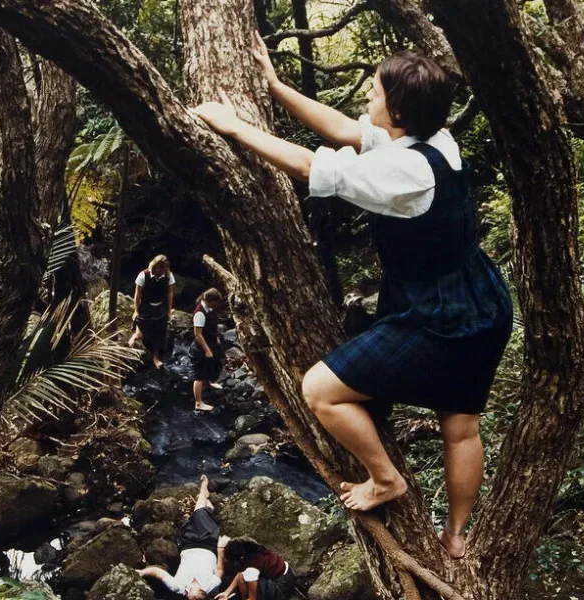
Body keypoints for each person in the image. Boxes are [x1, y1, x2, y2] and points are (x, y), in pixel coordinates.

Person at [193, 35, 513, 559]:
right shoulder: (435, 139)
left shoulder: (405, 172)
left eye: (376, 92)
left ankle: (385, 479)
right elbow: (344, 130)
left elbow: (307, 166)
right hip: (480, 298)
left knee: (320, 390)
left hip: (437, 317)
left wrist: (234, 126)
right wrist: (275, 88)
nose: (368, 97)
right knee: (460, 426)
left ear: (400, 109)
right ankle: (456, 538)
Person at [139, 475, 226, 599]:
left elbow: (158, 572)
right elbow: (220, 571)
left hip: (188, 544)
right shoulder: (210, 585)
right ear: (202, 591)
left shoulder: (178, 587)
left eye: (186, 594)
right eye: (190, 591)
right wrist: (221, 549)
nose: (186, 590)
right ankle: (205, 496)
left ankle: (203, 493)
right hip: (209, 545)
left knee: (198, 515)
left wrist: (142, 572)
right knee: (201, 514)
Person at [128, 254, 176, 369]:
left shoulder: (168, 276)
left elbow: (169, 294)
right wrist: (136, 311)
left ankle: (156, 358)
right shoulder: (143, 275)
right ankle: (136, 334)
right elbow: (138, 295)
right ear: (154, 266)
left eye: (163, 268)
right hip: (146, 306)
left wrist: (169, 311)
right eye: (159, 268)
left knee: (160, 334)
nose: (161, 270)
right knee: (142, 331)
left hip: (161, 307)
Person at [215, 537, 296, 600]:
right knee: (241, 577)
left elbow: (252, 598)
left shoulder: (252, 567)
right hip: (278, 575)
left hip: (282, 585)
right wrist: (226, 592)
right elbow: (240, 573)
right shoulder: (248, 550)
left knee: (244, 578)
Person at [191, 288, 225, 412]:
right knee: (199, 375)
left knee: (214, 363)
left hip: (211, 342)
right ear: (209, 301)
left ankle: (209, 382)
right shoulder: (199, 313)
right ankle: (198, 402)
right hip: (201, 346)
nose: (216, 305)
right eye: (215, 303)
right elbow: (198, 334)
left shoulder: (209, 309)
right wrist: (207, 350)